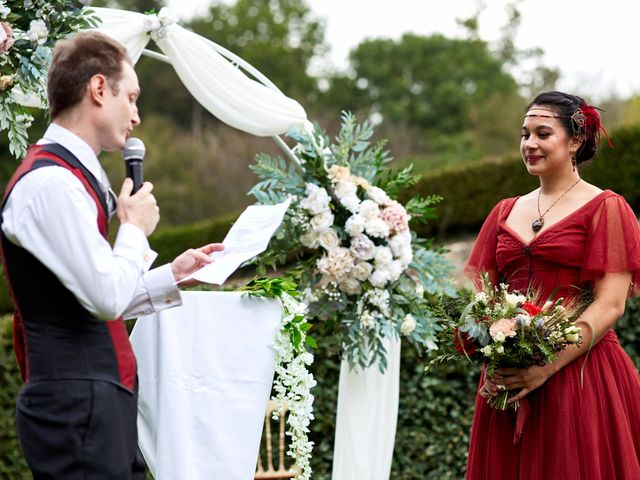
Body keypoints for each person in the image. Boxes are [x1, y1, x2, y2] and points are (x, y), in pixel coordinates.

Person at [0, 31, 223, 479]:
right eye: (133, 98)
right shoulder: (50, 184)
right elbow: (104, 295)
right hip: (75, 407)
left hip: (98, 403)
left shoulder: (74, 177)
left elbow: (98, 294)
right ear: (99, 89)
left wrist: (172, 276)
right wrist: (134, 229)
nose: (137, 116)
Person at [464, 91, 640, 478]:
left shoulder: (606, 208)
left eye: (543, 133)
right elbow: (481, 298)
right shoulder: (504, 212)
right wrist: (492, 358)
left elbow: (610, 304)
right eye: (525, 134)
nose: (530, 144)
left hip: (580, 374)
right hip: (508, 382)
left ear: (576, 140)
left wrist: (545, 368)